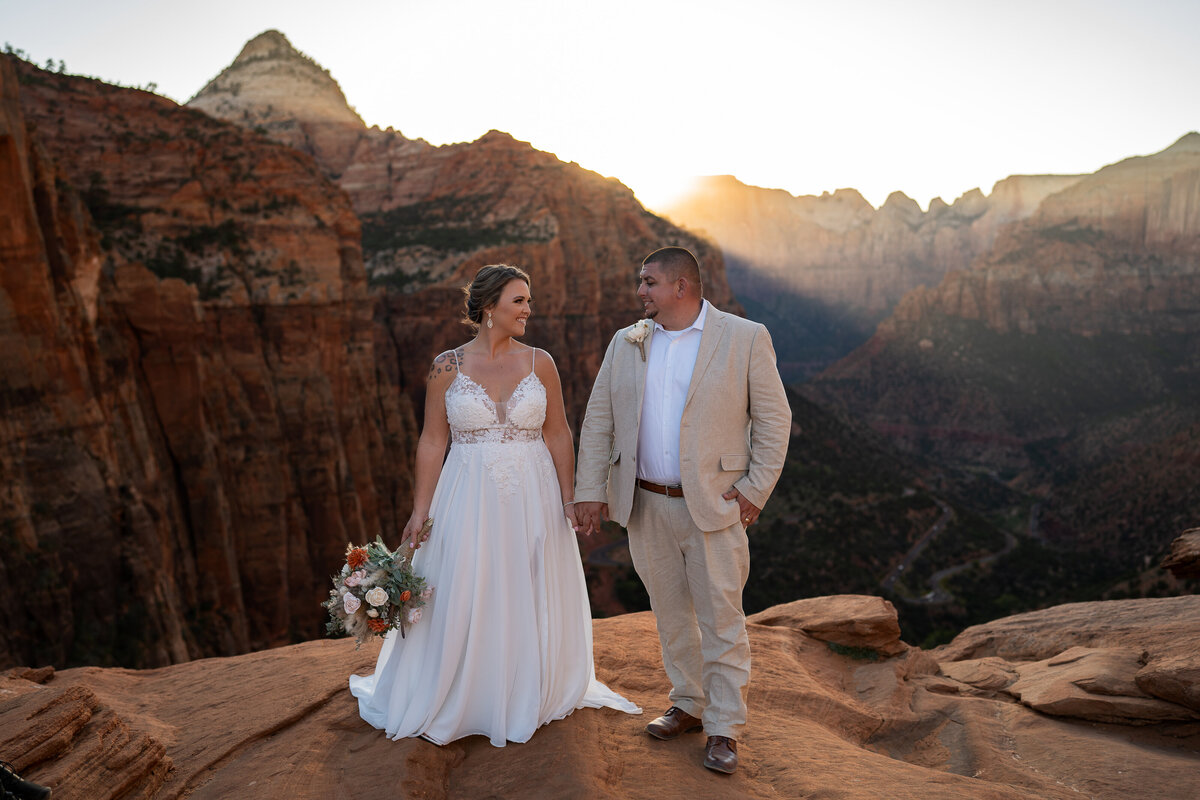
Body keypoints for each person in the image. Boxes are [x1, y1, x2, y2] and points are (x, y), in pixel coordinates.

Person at [350, 264, 640, 747]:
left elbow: (558, 432)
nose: (529, 309)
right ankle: (469, 692)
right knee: (467, 581)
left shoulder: (540, 362)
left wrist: (569, 497)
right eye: (519, 301)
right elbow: (431, 441)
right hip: (467, 491)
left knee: (526, 580)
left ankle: (525, 687)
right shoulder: (447, 366)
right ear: (490, 309)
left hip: (535, 492)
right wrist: (420, 512)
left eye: (528, 300)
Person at [574, 246, 791, 774]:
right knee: (671, 616)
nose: (639, 291)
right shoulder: (626, 343)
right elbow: (599, 417)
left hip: (712, 506)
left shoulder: (744, 337)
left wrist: (753, 490)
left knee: (721, 619)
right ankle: (689, 704)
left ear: (681, 287)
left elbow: (774, 419)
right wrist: (590, 489)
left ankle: (724, 728)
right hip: (645, 503)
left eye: (648, 282)